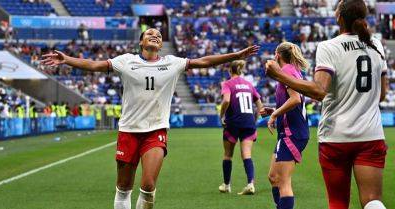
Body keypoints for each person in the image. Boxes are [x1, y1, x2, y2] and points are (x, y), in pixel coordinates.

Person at [41, 28, 259, 209]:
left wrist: (235, 55)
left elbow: (205, 61)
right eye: (150, 33)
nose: (155, 35)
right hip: (128, 130)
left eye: (159, 35)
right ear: (141, 42)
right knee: (124, 187)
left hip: (156, 131)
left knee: (147, 185)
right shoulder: (125, 61)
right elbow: (94, 65)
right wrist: (67, 59)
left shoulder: (172, 63)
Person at [265, 1, 388, 209]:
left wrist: (278, 74)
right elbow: (382, 95)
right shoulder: (376, 44)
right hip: (371, 134)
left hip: (336, 136)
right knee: (372, 202)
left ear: (339, 17)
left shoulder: (329, 47)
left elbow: (319, 91)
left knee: (338, 203)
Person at [261, 42, 310, 209]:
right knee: (273, 177)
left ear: (278, 55)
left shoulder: (287, 71)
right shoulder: (292, 71)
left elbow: (295, 99)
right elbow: (294, 101)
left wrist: (275, 114)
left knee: (283, 182)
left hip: (292, 133)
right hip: (290, 132)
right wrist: (274, 110)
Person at [218, 60, 264, 195]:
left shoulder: (227, 84)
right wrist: (256, 118)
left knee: (228, 155)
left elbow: (226, 100)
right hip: (249, 122)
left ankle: (226, 185)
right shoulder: (249, 84)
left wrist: (221, 115)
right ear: (241, 70)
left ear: (229, 71)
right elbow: (259, 104)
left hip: (233, 123)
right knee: (247, 154)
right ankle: (250, 184)